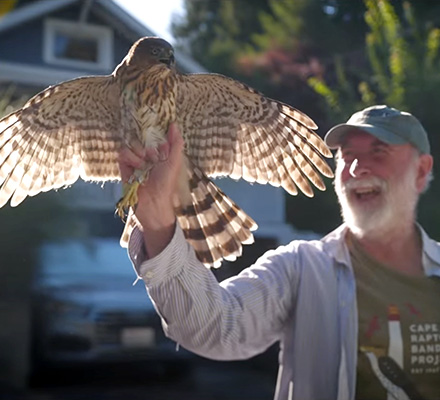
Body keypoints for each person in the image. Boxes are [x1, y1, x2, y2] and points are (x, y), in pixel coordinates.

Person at [120, 105, 440, 400]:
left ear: (421, 171)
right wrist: (158, 218)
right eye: (346, 155)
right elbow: (214, 326)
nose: (356, 168)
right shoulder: (301, 267)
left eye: (378, 153)